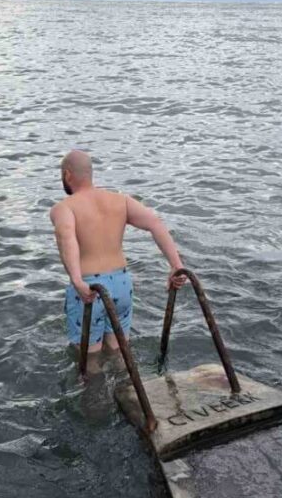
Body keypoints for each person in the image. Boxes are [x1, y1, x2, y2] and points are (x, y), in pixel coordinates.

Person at [50, 150, 186, 373]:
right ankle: (127, 389)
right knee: (119, 351)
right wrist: (176, 266)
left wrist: (76, 280)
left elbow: (66, 237)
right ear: (90, 173)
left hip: (90, 288)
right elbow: (155, 223)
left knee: (89, 358)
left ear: (67, 174)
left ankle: (94, 394)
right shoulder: (120, 201)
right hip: (122, 285)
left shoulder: (64, 208)